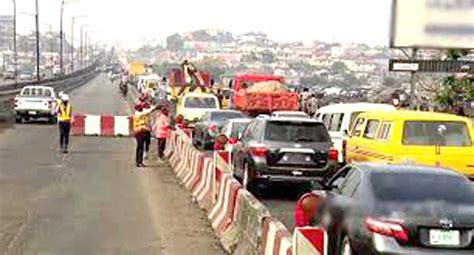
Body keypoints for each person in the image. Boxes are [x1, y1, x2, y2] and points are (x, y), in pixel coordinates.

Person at [132, 103, 157, 167]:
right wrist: (154, 108)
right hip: (139, 132)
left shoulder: (143, 113)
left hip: (144, 131)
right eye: (140, 107)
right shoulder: (137, 114)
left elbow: (147, 111)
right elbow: (146, 112)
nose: (141, 108)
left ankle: (140, 161)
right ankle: (138, 161)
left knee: (142, 147)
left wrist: (153, 107)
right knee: (140, 147)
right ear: (137, 109)